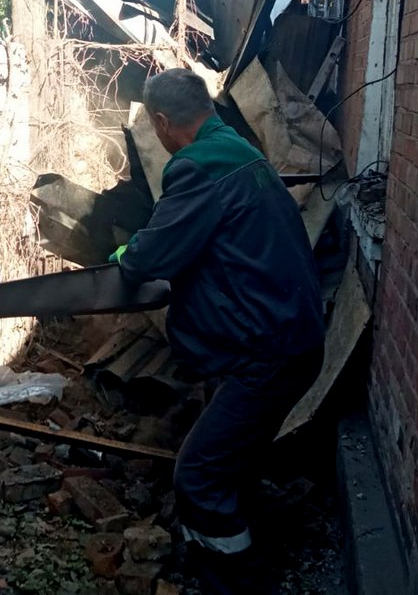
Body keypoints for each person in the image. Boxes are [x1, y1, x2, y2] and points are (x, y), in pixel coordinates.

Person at [112, 68, 326, 594]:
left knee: (199, 478)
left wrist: (127, 252)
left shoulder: (197, 167)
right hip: (288, 338)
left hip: (266, 355)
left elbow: (150, 256)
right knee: (234, 466)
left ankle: (237, 583)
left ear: (162, 123)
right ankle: (248, 549)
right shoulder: (236, 148)